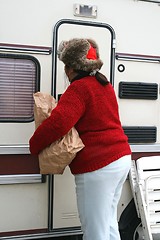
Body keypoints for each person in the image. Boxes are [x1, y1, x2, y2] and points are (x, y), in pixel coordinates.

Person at [29, 38, 132, 240]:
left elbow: (59, 123)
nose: (65, 72)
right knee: (108, 222)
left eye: (66, 67)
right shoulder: (104, 84)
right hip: (121, 159)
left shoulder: (79, 89)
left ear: (71, 68)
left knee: (94, 229)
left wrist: (34, 145)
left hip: (99, 165)